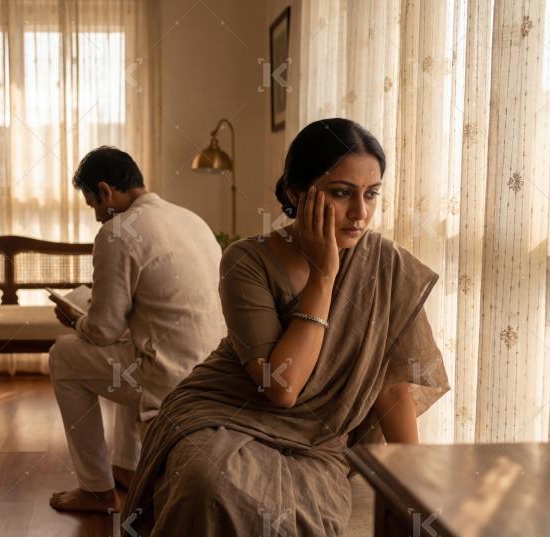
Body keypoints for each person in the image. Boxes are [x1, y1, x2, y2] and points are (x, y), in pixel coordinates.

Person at [120, 118, 451, 536]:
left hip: (316, 438)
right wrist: (324, 277)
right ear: (297, 193)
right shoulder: (247, 260)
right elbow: (281, 387)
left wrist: (413, 484)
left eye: (371, 194)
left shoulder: (387, 267)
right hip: (225, 411)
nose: (360, 213)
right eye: (341, 193)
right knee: (207, 485)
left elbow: (392, 387)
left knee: (276, 508)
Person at [47, 146, 226, 513]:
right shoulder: (190, 218)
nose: (97, 216)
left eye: (93, 204)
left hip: (169, 377)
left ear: (105, 191)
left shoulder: (116, 232)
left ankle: (96, 489)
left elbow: (103, 331)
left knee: (64, 355)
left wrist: (76, 318)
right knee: (135, 342)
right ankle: (128, 468)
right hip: (212, 368)